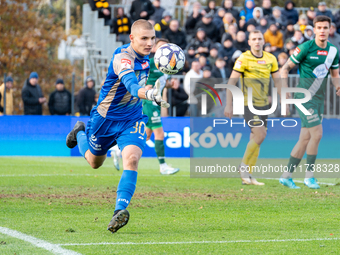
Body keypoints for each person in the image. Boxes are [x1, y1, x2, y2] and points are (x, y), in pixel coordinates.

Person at [66, 20, 170, 233]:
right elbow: (132, 86)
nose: (149, 43)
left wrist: (156, 88)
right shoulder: (122, 58)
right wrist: (150, 94)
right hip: (104, 119)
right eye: (144, 39)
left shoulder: (149, 59)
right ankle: (80, 133)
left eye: (152, 39)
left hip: (133, 119)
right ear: (132, 38)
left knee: (131, 159)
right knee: (95, 162)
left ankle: (119, 211)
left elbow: (144, 83)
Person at [279, 16, 340, 189]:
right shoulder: (305, 47)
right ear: (314, 29)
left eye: (325, 28)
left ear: (330, 29)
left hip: (319, 99)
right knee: (317, 134)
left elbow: (335, 75)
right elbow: (285, 69)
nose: (322, 31)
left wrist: (338, 87)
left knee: (305, 139)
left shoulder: (333, 51)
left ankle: (286, 176)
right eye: (319, 27)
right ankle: (309, 176)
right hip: (304, 98)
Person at [224, 30, 286, 185]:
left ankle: (249, 176)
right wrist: (229, 104)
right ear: (249, 42)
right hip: (247, 104)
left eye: (259, 39)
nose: (257, 41)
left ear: (263, 41)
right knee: (260, 135)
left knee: (256, 139)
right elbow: (231, 83)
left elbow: (277, 81)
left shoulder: (271, 58)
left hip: (264, 105)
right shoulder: (243, 58)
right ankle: (243, 166)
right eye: (254, 39)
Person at [143, 38, 180, 175]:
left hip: (156, 103)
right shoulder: (150, 63)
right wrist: (143, 87)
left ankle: (118, 150)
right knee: (160, 133)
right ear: (154, 49)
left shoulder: (167, 66)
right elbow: (137, 76)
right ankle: (163, 166)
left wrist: (171, 85)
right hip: (149, 102)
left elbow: (162, 82)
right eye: (161, 47)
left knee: (145, 135)